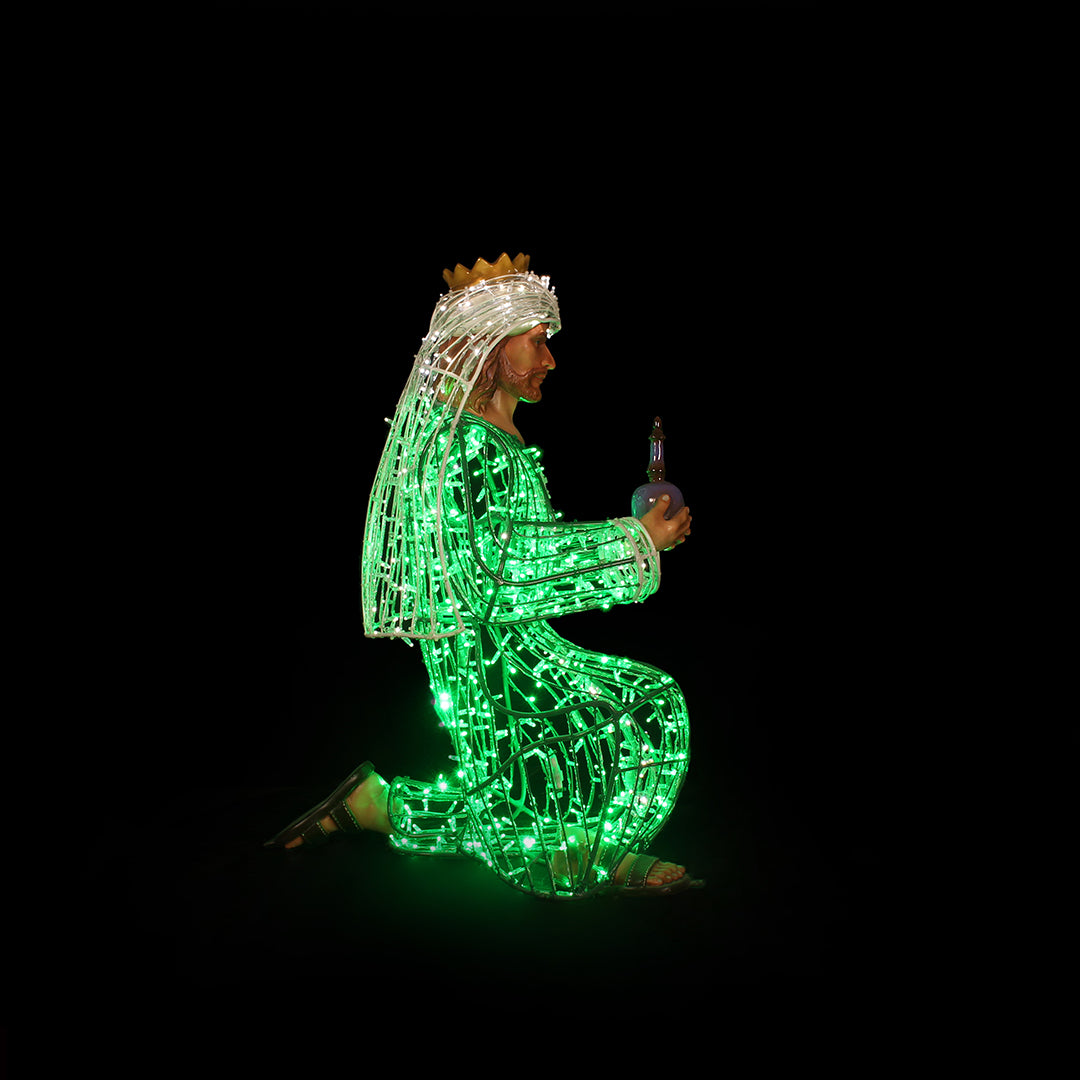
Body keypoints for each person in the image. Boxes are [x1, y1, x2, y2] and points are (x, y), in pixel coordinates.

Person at [267, 253, 700, 897]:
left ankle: (390, 807)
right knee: (610, 732)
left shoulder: (492, 434)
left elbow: (514, 550)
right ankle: (576, 852)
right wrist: (634, 540)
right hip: (483, 647)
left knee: (628, 721)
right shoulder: (467, 442)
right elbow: (495, 568)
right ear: (489, 346)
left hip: (515, 636)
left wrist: (638, 540)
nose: (549, 360)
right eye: (536, 343)